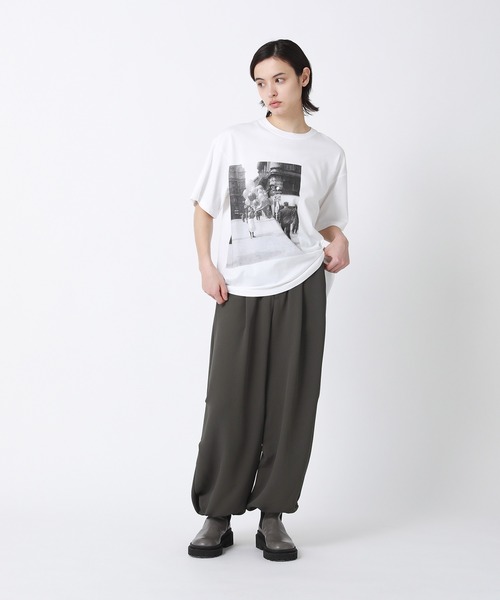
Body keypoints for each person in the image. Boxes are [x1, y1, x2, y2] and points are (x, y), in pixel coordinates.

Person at [187, 39, 350, 562]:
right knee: (229, 401)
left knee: (291, 402)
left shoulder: (328, 152)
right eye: (260, 83)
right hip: (240, 286)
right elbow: (204, 207)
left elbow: (327, 221)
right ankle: (217, 513)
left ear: (304, 76)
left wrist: (340, 239)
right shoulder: (234, 140)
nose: (269, 91)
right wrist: (207, 266)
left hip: (302, 282)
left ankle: (273, 515)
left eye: (278, 78)